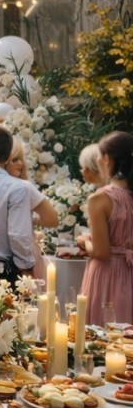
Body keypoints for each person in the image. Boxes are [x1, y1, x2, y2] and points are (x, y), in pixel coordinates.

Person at [78, 131, 133, 324]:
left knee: (102, 335)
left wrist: (85, 242)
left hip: (107, 276)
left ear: (107, 160)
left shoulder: (100, 199)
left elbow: (101, 252)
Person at [0, 126, 37, 283]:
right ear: (9, 156)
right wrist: (27, 266)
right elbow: (18, 235)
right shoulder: (16, 188)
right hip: (3, 272)